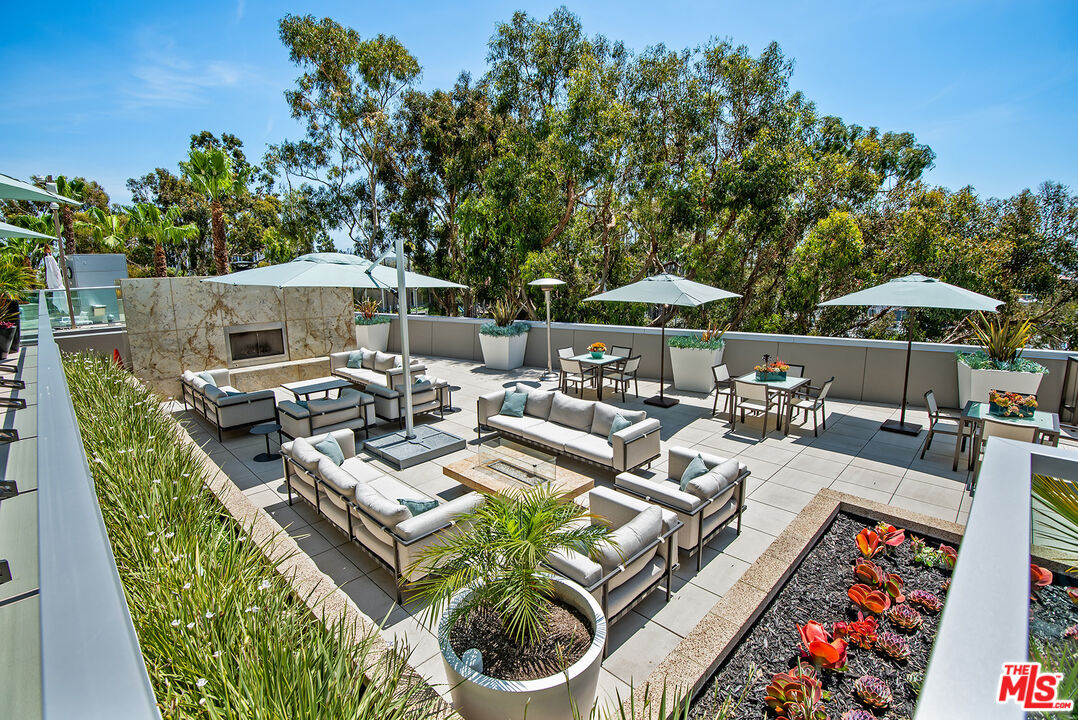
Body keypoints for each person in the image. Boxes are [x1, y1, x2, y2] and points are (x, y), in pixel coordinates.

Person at [43, 244, 64, 315]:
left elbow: (55, 272)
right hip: (57, 286)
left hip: (58, 286)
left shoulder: (50, 261)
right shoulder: (49, 260)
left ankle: (62, 311)